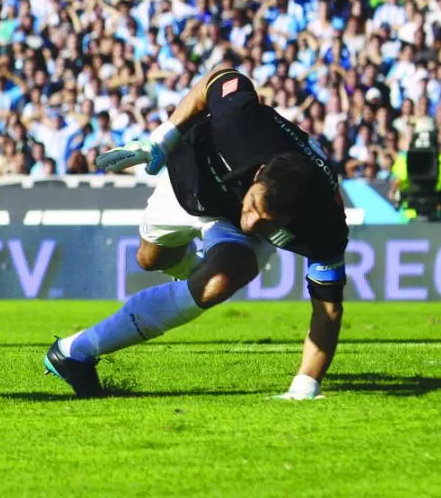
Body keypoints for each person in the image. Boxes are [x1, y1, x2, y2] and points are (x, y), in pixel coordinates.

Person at [44, 65, 349, 400]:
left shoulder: (324, 226)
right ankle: (194, 267)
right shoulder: (241, 123)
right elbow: (215, 78)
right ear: (259, 174)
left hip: (228, 223)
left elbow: (328, 310)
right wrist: (161, 140)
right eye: (253, 208)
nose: (253, 223)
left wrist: (305, 386)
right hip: (191, 179)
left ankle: (75, 352)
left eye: (266, 223)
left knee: (218, 282)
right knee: (149, 259)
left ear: (293, 216)